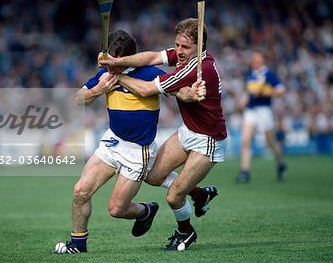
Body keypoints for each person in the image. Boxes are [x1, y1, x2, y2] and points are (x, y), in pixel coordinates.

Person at [61, 29, 206, 254]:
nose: (111, 67)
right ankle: (78, 244)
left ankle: (145, 211)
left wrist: (193, 92)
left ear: (128, 57)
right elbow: (78, 99)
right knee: (80, 191)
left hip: (138, 151)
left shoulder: (149, 74)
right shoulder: (105, 75)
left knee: (116, 209)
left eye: (116, 62)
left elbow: (180, 90)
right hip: (112, 142)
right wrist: (99, 89)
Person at [98, 18, 227, 251]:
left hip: (208, 139)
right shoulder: (183, 56)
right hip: (188, 131)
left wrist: (116, 72)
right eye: (176, 45)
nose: (178, 51)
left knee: (175, 196)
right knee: (153, 175)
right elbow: (150, 58)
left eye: (185, 47)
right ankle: (199, 195)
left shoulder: (199, 68)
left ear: (199, 48)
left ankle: (185, 232)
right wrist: (119, 61)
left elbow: (147, 89)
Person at [235, 49, 286, 183]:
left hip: (264, 110)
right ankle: (245, 172)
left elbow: (281, 90)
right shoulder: (251, 75)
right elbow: (248, 92)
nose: (255, 61)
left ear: (262, 60)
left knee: (270, 141)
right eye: (254, 58)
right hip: (251, 110)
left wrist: (265, 92)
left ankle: (280, 163)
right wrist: (242, 103)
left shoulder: (269, 74)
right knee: (245, 140)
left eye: (257, 58)